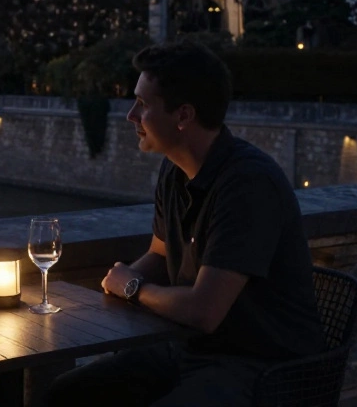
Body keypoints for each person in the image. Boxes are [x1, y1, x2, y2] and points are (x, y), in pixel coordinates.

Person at [40, 42, 325, 407]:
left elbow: (204, 311)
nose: (130, 115)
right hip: (192, 349)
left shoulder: (248, 185)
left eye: (143, 104)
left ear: (183, 116)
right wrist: (112, 288)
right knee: (64, 394)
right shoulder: (174, 170)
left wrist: (132, 288)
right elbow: (160, 254)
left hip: (263, 367)